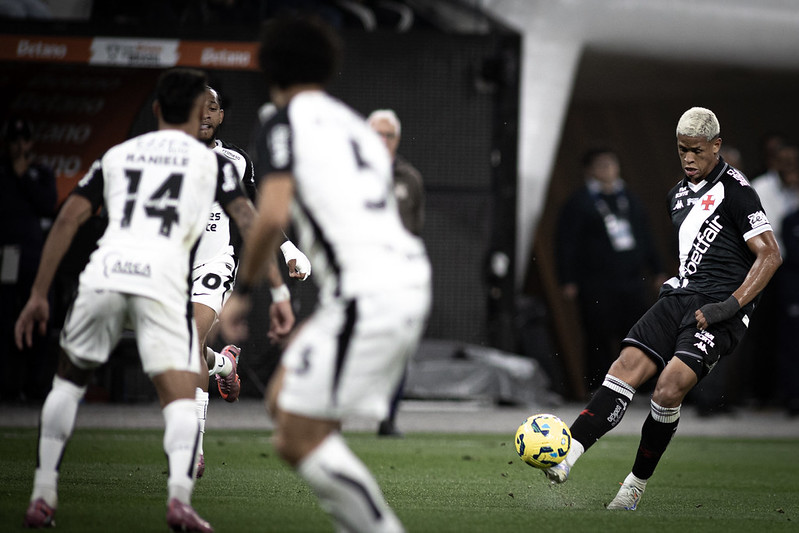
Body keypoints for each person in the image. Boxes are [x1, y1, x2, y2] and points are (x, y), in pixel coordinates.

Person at [13, 67, 287, 531]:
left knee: (67, 385)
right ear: (195, 112)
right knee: (179, 396)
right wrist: (278, 291)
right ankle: (179, 499)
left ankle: (42, 496)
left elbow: (67, 219)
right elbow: (250, 220)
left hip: (105, 275)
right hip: (160, 282)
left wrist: (39, 293)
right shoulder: (213, 165)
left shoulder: (118, 155)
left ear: (157, 108)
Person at [221, 15, 431, 533]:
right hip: (394, 281)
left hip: (371, 291)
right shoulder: (355, 126)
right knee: (281, 400)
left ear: (269, 67)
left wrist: (244, 293)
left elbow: (270, 213)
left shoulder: (281, 121)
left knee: (296, 436)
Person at [542, 107, 782, 511]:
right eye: (682, 149)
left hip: (719, 307)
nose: (688, 157)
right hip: (680, 296)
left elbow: (770, 255)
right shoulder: (677, 195)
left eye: (697, 150)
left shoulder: (737, 191)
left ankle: (633, 486)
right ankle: (566, 456)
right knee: (624, 367)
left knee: (669, 388)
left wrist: (730, 305)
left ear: (716, 146)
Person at [191, 85, 309, 478]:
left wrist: (288, 249)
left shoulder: (235, 161)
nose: (205, 114)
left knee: (189, 343)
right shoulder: (162, 156)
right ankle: (224, 364)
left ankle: (193, 449)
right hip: (169, 267)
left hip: (214, 263)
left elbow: (255, 212)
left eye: (213, 107)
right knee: (181, 349)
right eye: (198, 107)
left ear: (221, 115)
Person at [555, 147, 666, 392]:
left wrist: (657, 269)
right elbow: (566, 243)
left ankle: (640, 385)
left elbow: (646, 237)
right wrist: (567, 279)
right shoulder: (579, 202)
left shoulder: (630, 198)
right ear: (589, 170)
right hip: (595, 280)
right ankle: (598, 386)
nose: (607, 169)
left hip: (631, 278)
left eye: (611, 164)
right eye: (601, 165)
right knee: (598, 333)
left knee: (637, 332)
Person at [367, 108, 425, 436]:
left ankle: (387, 417)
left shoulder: (410, 179)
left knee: (397, 347)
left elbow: (415, 229)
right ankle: (331, 418)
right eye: (377, 133)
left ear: (397, 139)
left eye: (388, 135)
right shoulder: (350, 172)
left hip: (397, 278)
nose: (382, 140)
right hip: (358, 275)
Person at [0, 117, 57, 403]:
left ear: (31, 143)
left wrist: (24, 177)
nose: (19, 146)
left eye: (23, 140)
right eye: (14, 140)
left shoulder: (40, 172)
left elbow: (48, 205)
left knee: (38, 320)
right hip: (6, 257)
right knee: (6, 319)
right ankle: (7, 385)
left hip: (34, 256)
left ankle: (35, 386)